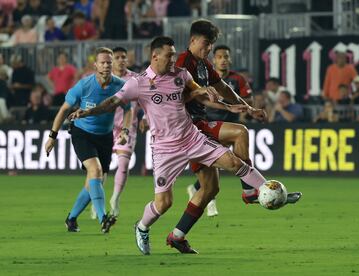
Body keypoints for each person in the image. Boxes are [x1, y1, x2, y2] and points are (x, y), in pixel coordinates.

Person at [69, 36, 301, 255]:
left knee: (233, 161)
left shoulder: (180, 74)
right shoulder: (137, 84)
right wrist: (88, 111)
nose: (173, 59)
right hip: (164, 150)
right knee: (164, 203)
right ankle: (141, 227)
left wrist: (228, 107)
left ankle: (268, 191)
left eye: (173, 55)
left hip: (192, 138)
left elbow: (198, 95)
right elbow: (112, 103)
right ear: (155, 56)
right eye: (169, 56)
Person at [175, 20, 276, 219]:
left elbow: (222, 88)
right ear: (193, 40)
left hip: (200, 124)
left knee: (210, 190)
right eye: (206, 42)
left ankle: (177, 236)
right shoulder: (182, 64)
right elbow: (177, 98)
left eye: (211, 43)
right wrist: (226, 105)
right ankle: (250, 190)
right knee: (164, 200)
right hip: (186, 129)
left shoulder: (204, 65)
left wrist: (248, 108)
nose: (209, 47)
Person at [44, 47, 131, 233]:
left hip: (105, 136)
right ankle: (103, 218)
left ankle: (71, 218)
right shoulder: (83, 86)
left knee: (94, 181)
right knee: (96, 170)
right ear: (95, 65)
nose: (107, 65)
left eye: (109, 62)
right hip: (82, 133)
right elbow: (64, 110)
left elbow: (128, 109)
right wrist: (52, 136)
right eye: (103, 62)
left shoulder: (119, 85)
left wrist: (124, 131)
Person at [185, 44, 254, 216]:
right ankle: (244, 191)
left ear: (230, 59)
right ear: (214, 59)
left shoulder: (238, 79)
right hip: (209, 125)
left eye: (226, 56)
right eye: (220, 57)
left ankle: (195, 189)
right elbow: (197, 98)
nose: (223, 60)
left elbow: (248, 98)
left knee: (223, 163)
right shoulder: (203, 78)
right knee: (219, 164)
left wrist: (247, 109)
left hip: (228, 125)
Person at [108, 47, 140, 217]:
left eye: (123, 57)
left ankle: (115, 198)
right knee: (99, 169)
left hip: (127, 128)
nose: (121, 60)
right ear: (112, 60)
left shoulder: (135, 79)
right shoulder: (106, 79)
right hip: (105, 127)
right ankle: (96, 201)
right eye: (117, 57)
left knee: (123, 164)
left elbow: (145, 101)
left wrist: (146, 118)